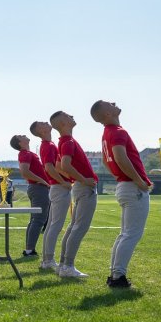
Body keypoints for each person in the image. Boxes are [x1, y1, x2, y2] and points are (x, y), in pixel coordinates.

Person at [92, 99, 151, 289]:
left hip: (124, 185)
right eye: (110, 103)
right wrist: (138, 180)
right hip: (131, 187)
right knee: (131, 234)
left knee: (125, 234)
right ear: (107, 114)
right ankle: (118, 277)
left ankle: (115, 274)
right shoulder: (118, 132)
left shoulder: (107, 133)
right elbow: (119, 157)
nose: (114, 102)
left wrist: (121, 175)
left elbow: (106, 160)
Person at [51, 110, 98, 279]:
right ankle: (67, 266)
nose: (72, 116)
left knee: (73, 227)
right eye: (68, 116)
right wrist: (84, 179)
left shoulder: (64, 141)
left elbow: (58, 165)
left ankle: (64, 265)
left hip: (80, 186)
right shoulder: (68, 141)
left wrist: (76, 179)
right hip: (84, 188)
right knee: (79, 227)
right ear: (63, 123)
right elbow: (63, 165)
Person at [31, 119, 69, 271]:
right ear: (41, 131)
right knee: (55, 224)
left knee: (52, 224)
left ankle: (47, 259)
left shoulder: (49, 145)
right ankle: (48, 260)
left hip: (56, 186)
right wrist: (63, 181)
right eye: (43, 123)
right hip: (59, 187)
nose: (46, 123)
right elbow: (49, 167)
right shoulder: (47, 145)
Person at [10, 134, 51, 258]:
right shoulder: (25, 153)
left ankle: (29, 249)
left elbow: (26, 172)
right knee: (39, 219)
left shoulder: (27, 153)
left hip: (37, 187)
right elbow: (24, 171)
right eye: (21, 136)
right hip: (39, 188)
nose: (24, 135)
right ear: (20, 143)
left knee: (35, 220)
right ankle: (29, 250)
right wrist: (43, 181)